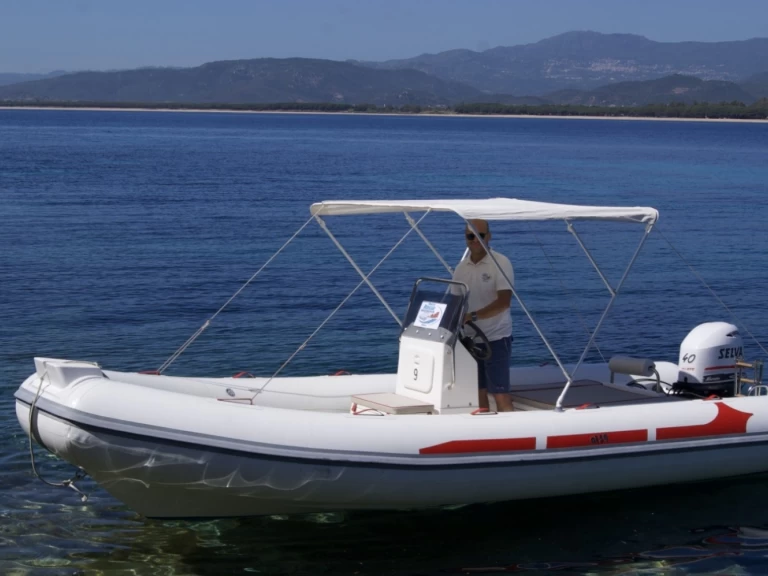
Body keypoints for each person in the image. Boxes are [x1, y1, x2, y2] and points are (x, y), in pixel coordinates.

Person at [452, 219, 515, 412]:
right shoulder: (461, 268)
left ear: (489, 236)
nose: (475, 240)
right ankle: (487, 432)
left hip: (496, 338)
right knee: (478, 393)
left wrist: (473, 316)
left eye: (480, 235)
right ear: (465, 238)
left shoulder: (500, 262)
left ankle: (513, 436)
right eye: (470, 236)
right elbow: (453, 302)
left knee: (500, 393)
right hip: (470, 340)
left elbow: (504, 302)